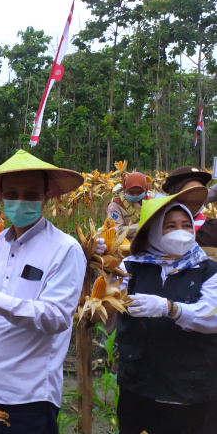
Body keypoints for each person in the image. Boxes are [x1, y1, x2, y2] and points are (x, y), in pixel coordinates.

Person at [0, 149, 85, 433]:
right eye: (12, 194)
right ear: (1, 197)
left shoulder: (64, 249)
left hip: (29, 394)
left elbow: (56, 317)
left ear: (46, 197)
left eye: (31, 194)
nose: (20, 201)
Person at [109, 186, 217, 434]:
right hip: (139, 387)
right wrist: (96, 263)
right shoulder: (129, 267)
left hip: (192, 388)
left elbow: (213, 316)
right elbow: (104, 309)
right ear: (154, 231)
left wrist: (171, 309)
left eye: (186, 225)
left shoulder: (207, 269)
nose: (180, 232)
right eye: (170, 226)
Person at [162, 166, 217, 247]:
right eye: (189, 193)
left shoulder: (214, 228)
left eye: (200, 193)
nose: (196, 199)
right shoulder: (157, 229)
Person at [108, 172, 149, 240]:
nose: (135, 196)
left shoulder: (152, 200)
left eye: (139, 192)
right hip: (126, 244)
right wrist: (146, 226)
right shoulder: (116, 205)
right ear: (125, 190)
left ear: (145, 189)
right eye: (131, 192)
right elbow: (117, 230)